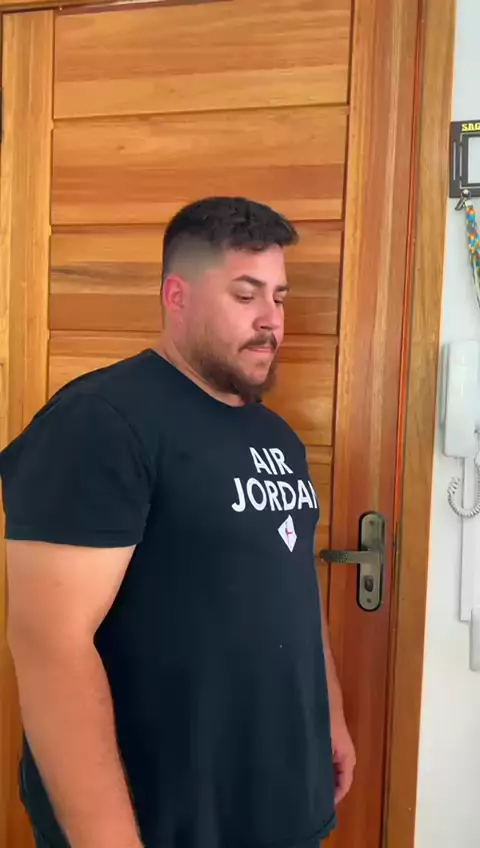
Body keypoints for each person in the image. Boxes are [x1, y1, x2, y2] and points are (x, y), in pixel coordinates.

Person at [0, 197, 355, 848]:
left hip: (281, 798)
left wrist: (326, 716)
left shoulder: (278, 437)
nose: (271, 319)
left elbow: (292, 586)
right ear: (177, 296)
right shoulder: (99, 424)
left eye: (279, 297)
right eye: (245, 295)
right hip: (168, 818)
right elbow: (50, 646)